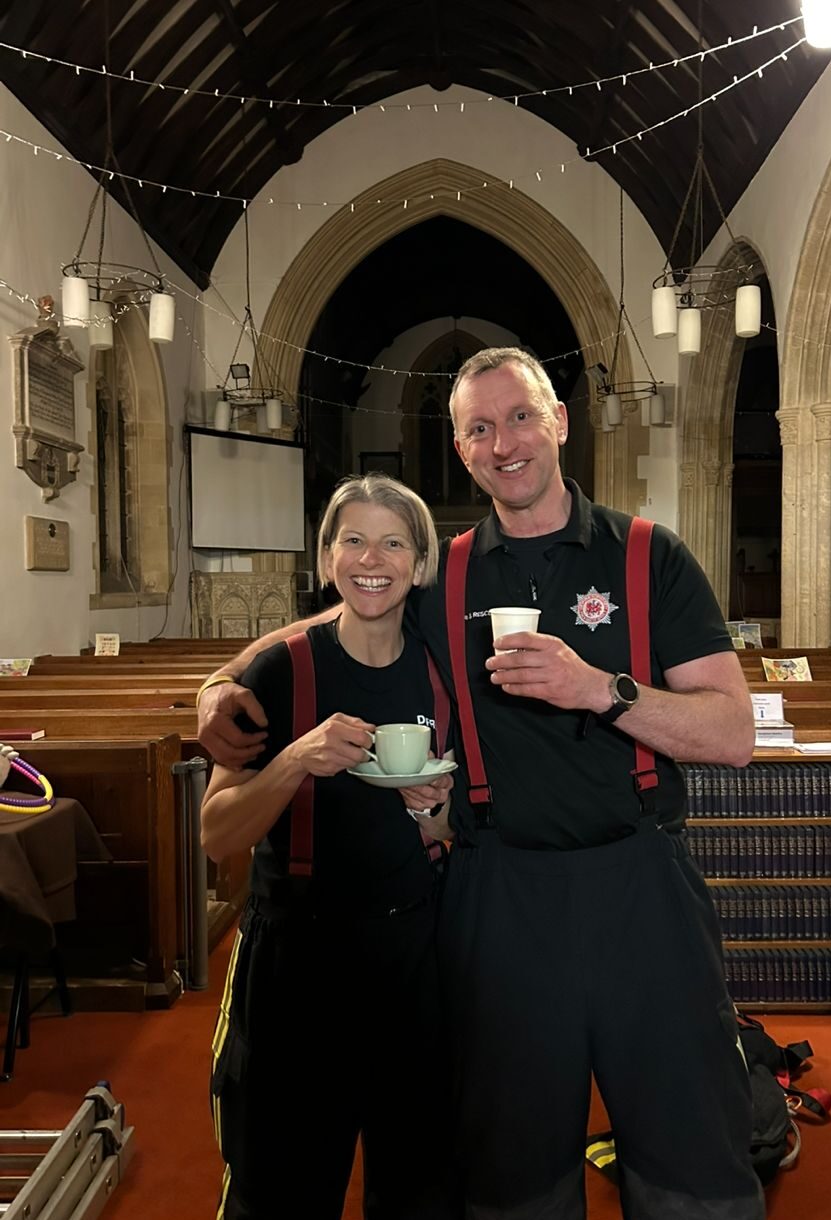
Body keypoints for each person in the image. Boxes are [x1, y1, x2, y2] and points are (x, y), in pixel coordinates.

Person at [198, 347, 764, 1220]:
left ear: (559, 422)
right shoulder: (447, 574)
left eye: (521, 417)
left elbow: (732, 735)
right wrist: (214, 683)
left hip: (642, 886)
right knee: (513, 1167)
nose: (505, 443)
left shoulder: (649, 555)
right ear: (461, 450)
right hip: (499, 893)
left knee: (690, 1150)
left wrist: (597, 690)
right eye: (478, 428)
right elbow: (354, 598)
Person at [201, 474, 460, 1220]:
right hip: (296, 961)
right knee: (278, 1188)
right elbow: (216, 834)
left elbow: (452, 833)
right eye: (351, 539)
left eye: (392, 541)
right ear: (324, 560)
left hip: (415, 957)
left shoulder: (441, 672)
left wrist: (433, 815)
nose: (370, 557)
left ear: (418, 562)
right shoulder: (280, 670)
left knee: (418, 1186)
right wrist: (292, 762)